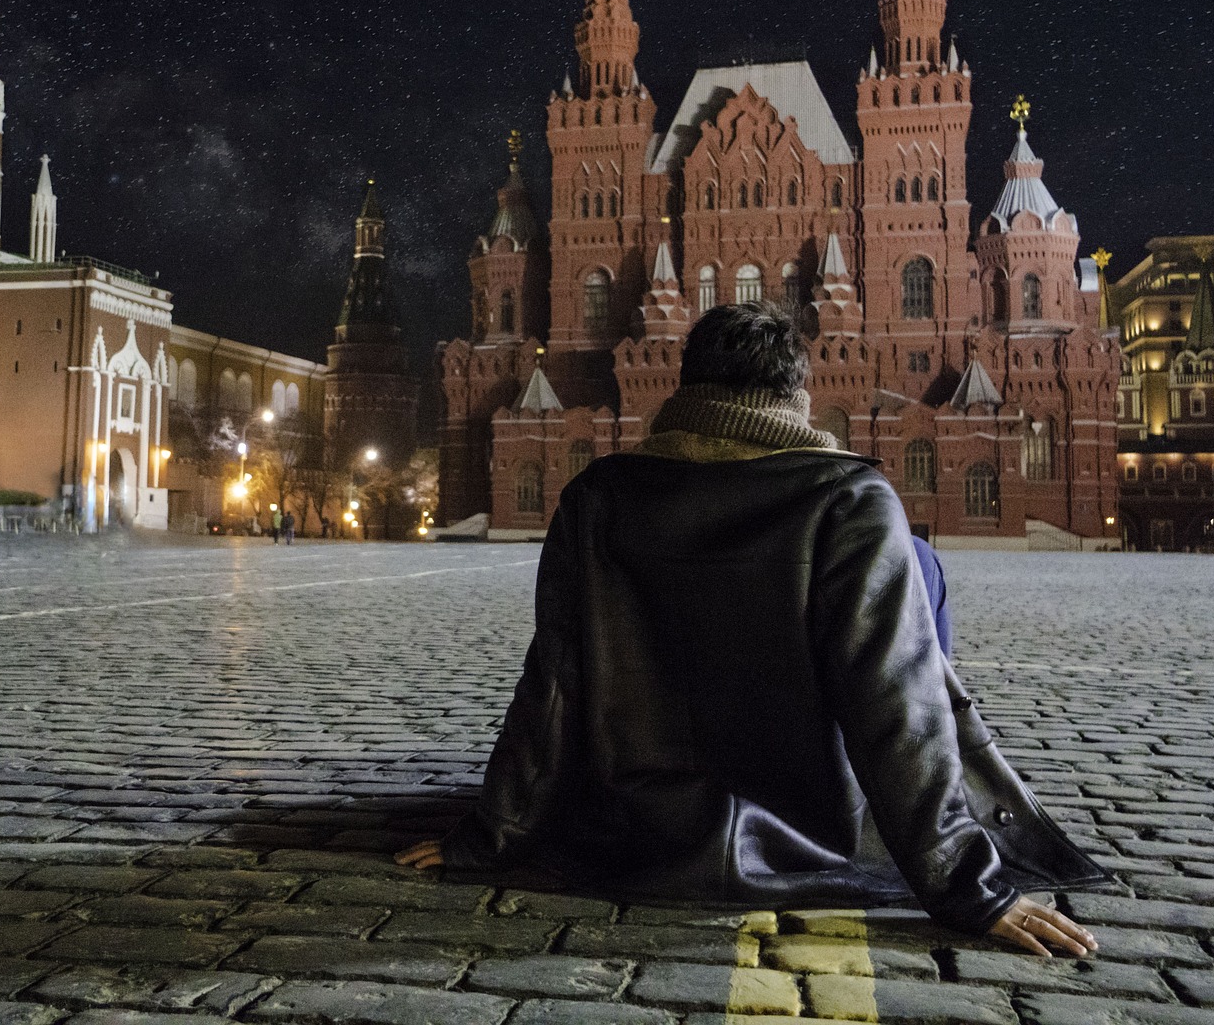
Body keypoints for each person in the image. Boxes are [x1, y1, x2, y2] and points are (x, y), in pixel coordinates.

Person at [398, 301, 1104, 957]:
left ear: (685, 387)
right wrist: (964, 883)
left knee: (914, 562)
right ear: (798, 394)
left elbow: (553, 685)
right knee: (920, 566)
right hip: (814, 831)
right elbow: (898, 701)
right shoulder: (852, 499)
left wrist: (494, 835)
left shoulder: (596, 496)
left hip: (640, 827)